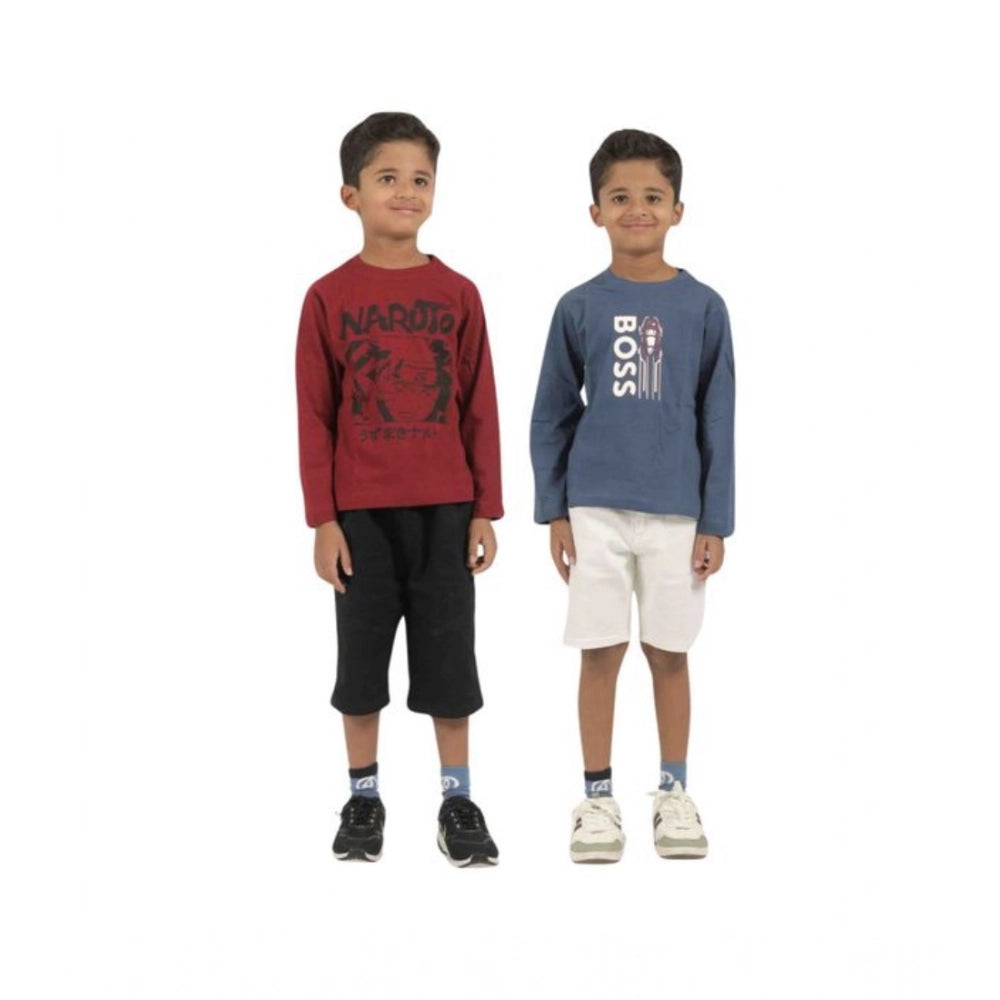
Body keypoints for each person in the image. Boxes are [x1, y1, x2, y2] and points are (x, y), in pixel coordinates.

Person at [296, 112, 503, 867]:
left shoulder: (458, 292)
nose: (406, 191)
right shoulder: (328, 297)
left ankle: (457, 798)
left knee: (450, 663)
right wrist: (323, 518)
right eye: (388, 177)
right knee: (360, 667)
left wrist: (484, 508)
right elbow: (314, 415)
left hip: (445, 510)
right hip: (361, 518)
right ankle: (363, 795)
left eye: (421, 178)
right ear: (351, 194)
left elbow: (480, 404)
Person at [530, 129, 735, 863]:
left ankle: (674, 793)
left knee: (670, 652)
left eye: (653, 196)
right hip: (595, 507)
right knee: (599, 649)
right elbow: (552, 412)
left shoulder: (703, 306)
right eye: (620, 196)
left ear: (678, 209)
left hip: (678, 509)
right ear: (596, 212)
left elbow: (718, 415)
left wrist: (716, 519)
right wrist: (554, 508)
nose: (637, 208)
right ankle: (596, 800)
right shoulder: (578, 306)